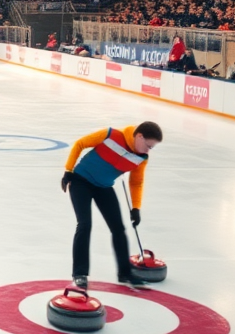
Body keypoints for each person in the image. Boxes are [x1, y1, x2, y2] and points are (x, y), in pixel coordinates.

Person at [61, 122, 163, 290]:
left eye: (152, 148)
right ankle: (80, 274)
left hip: (104, 187)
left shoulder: (142, 158)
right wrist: (68, 170)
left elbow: (136, 182)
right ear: (139, 136)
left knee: (118, 228)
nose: (148, 150)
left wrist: (136, 208)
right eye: (148, 146)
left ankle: (125, 273)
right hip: (80, 182)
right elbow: (80, 144)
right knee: (85, 224)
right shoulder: (111, 135)